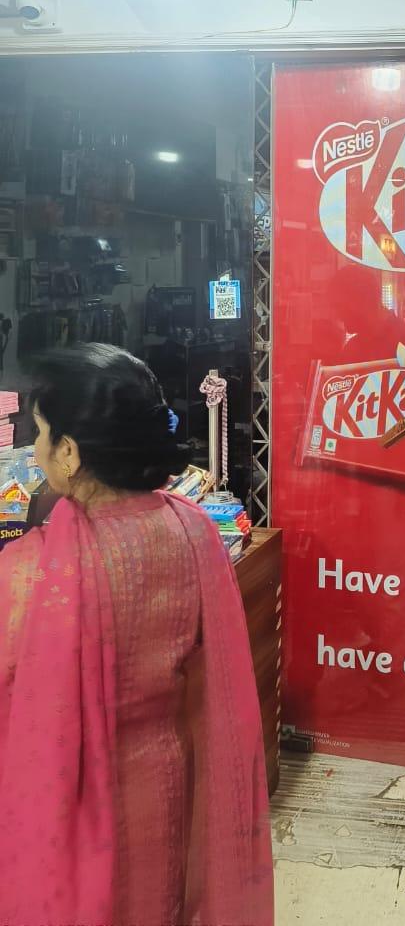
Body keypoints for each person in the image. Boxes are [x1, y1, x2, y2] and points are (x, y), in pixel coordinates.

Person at [0, 344, 274, 926]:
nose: (36, 449)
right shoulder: (193, 529)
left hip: (66, 806)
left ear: (69, 452)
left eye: (41, 432)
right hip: (164, 784)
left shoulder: (33, 572)